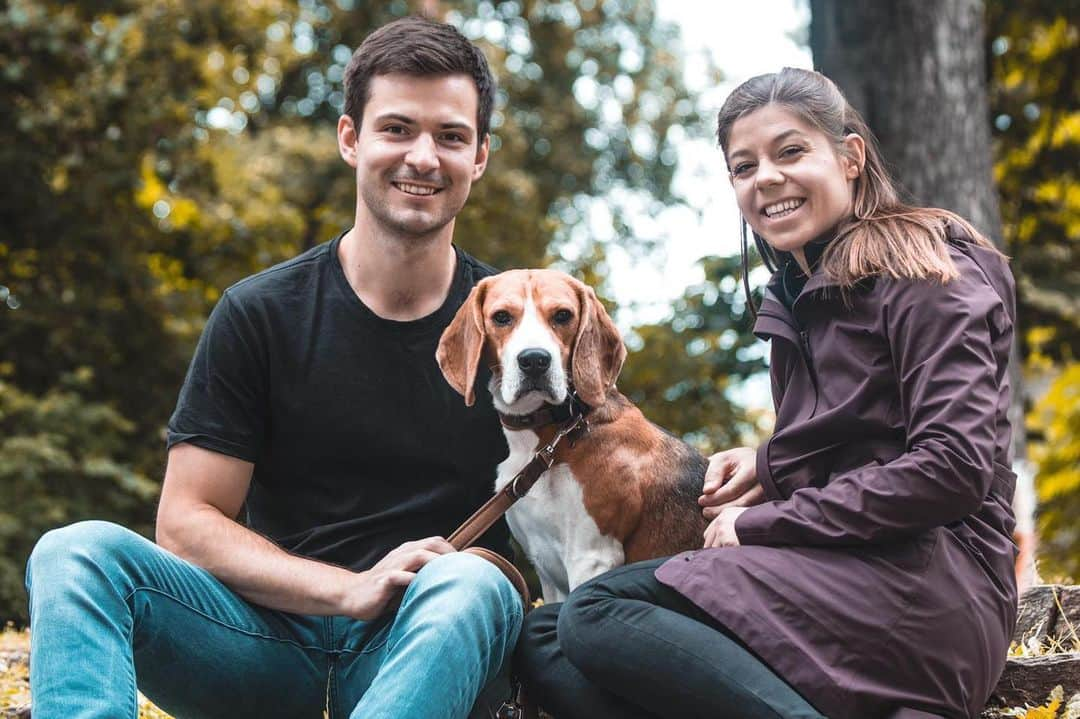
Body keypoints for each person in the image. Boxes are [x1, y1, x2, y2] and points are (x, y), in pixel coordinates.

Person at [25, 17, 524, 719]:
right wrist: (344, 589)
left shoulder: (519, 330)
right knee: (74, 552)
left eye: (450, 136)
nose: (423, 156)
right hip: (262, 641)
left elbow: (610, 473)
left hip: (428, 645)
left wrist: (731, 477)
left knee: (473, 583)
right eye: (396, 128)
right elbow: (187, 520)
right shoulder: (260, 312)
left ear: (479, 157)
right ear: (350, 138)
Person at [515, 67, 1018, 719]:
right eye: (744, 166)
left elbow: (953, 467)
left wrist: (761, 520)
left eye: (790, 151)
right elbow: (865, 442)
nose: (767, 179)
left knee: (596, 611)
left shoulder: (927, 272)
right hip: (843, 578)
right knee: (544, 635)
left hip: (933, 593)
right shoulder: (798, 296)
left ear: (850, 156)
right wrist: (772, 462)